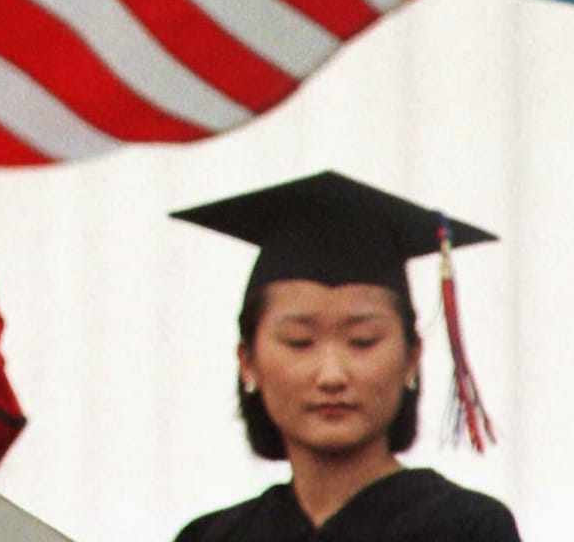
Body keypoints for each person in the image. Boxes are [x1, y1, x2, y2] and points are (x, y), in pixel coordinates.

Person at [169, 172, 521, 542]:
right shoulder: (211, 537)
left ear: (411, 358)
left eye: (362, 341)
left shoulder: (465, 529)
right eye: (299, 342)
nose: (332, 375)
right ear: (248, 362)